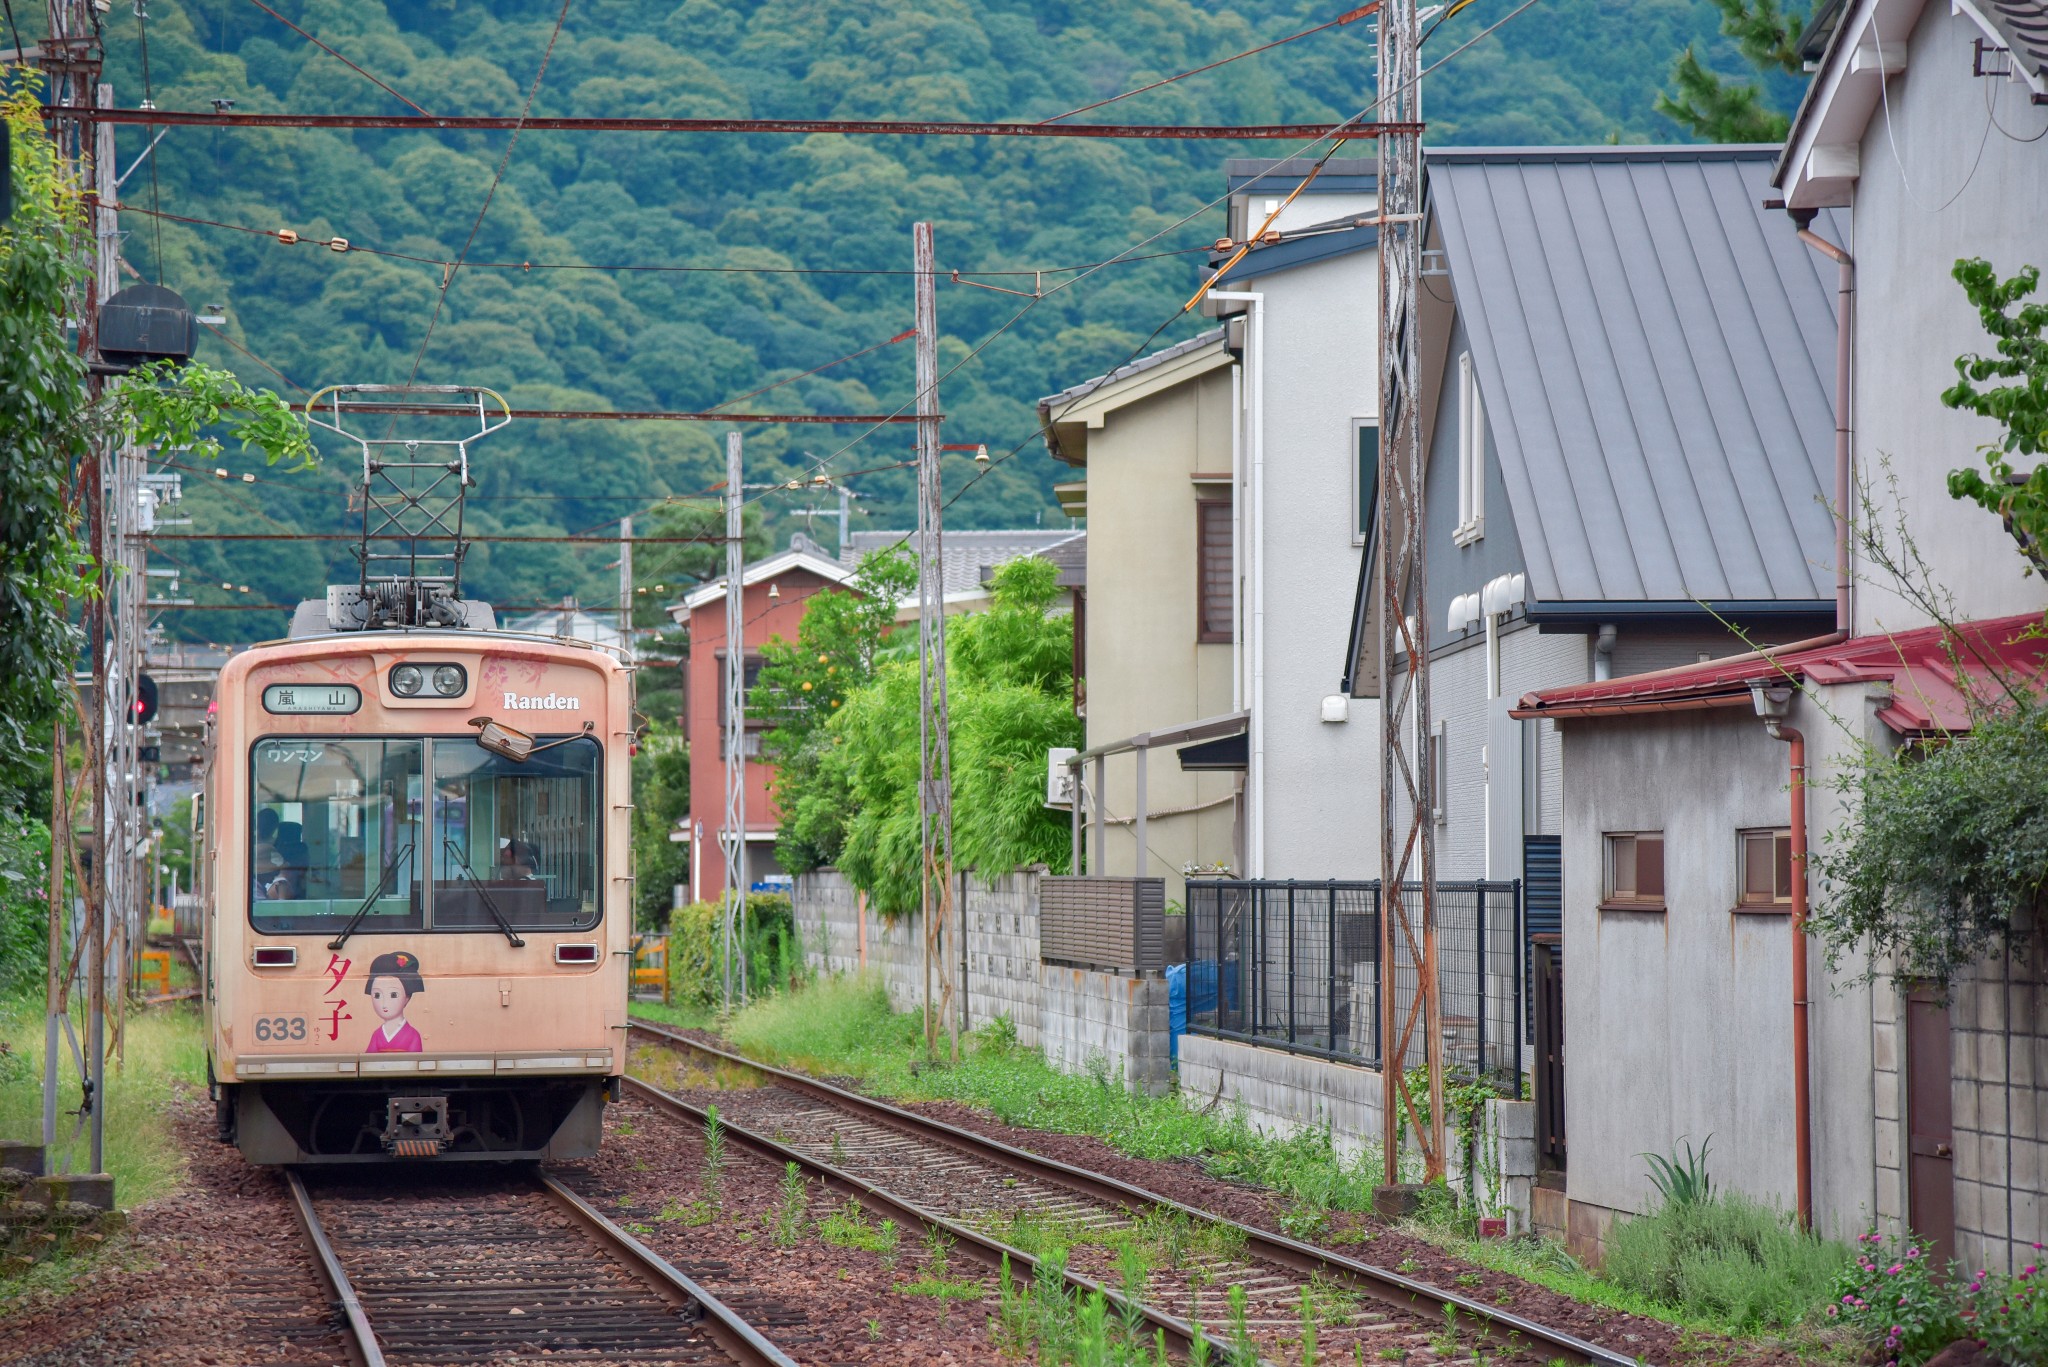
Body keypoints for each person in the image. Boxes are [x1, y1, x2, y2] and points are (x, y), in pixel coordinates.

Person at [362, 950, 426, 1053]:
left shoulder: (413, 1035)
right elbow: (368, 1061)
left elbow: (415, 1063)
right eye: (377, 995)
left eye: (393, 995)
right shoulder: (377, 1034)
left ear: (407, 998)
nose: (384, 1004)